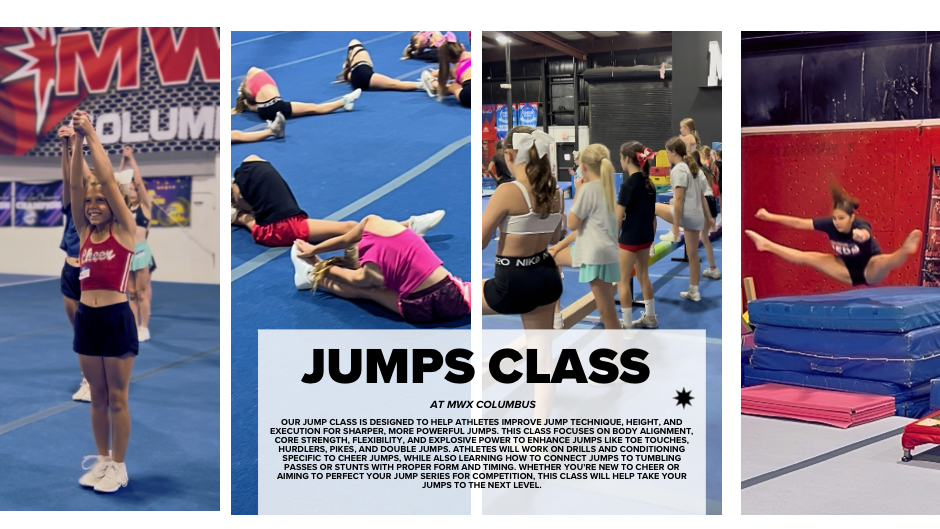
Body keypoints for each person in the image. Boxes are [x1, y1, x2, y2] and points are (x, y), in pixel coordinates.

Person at [68, 110, 138, 493]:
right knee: (96, 395)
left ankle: (120, 466)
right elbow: (77, 187)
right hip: (86, 319)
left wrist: (91, 133)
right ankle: (102, 459)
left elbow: (106, 179)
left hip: (115, 317)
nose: (93, 204)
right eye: (89, 200)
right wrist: (76, 144)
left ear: (115, 204)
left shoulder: (125, 230)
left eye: (100, 200)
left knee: (117, 397)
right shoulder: (83, 232)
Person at [231, 155, 445, 247]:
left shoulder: (246, 213)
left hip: (278, 224)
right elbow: (246, 218)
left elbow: (247, 215)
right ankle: (408, 227)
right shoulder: (250, 220)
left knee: (250, 162)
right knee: (350, 228)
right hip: (280, 228)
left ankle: (408, 227)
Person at [289, 216, 469, 324]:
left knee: (368, 292)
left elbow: (346, 276)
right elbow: (346, 238)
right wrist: (315, 251)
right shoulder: (373, 223)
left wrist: (316, 260)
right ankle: (312, 275)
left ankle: (311, 276)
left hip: (419, 309)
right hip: (455, 298)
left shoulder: (368, 274)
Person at [746, 182, 923, 286]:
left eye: (841, 218)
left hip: (869, 270)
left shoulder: (860, 225)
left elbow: (866, 234)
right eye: (835, 218)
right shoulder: (830, 224)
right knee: (809, 257)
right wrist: (769, 217)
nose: (837, 222)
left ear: (851, 217)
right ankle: (766, 245)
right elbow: (799, 222)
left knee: (882, 261)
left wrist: (861, 235)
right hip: (844, 269)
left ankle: (905, 250)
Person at [482, 126, 563, 329]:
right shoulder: (555, 193)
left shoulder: (507, 191)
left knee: (460, 294)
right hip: (547, 278)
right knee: (541, 354)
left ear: (508, 154)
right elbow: (554, 238)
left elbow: (480, 242)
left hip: (512, 285)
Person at [548, 144, 621, 330]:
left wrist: (578, 192)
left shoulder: (588, 190)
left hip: (594, 254)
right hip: (605, 251)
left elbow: (572, 223)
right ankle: (555, 314)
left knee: (608, 313)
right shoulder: (607, 188)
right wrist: (559, 245)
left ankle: (555, 315)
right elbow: (582, 229)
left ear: (585, 167)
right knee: (552, 257)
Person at [654, 137, 714, 301]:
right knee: (693, 255)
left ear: (674, 152)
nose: (666, 155)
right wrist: (709, 217)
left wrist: (675, 230)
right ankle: (694, 291)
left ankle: (649, 246)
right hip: (697, 217)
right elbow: (702, 196)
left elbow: (679, 200)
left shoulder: (679, 169)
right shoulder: (694, 168)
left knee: (653, 208)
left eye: (667, 152)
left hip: (686, 216)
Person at [56, 126, 91, 402]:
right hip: (70, 271)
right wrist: (65, 146)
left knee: (92, 329)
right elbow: (69, 179)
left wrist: (79, 140)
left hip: (93, 273)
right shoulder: (71, 207)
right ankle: (87, 379)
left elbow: (83, 177)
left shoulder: (100, 209)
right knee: (78, 331)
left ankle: (98, 376)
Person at [615, 142, 658, 329]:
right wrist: (652, 238)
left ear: (626, 159)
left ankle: (626, 325)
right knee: (643, 275)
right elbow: (653, 216)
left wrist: (612, 241)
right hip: (646, 236)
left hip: (629, 239)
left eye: (620, 157)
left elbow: (617, 219)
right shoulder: (650, 184)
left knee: (622, 280)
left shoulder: (627, 185)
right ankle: (650, 316)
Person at [232, 67, 361, 121]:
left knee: (313, 108)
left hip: (265, 112)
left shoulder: (250, 96)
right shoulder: (253, 72)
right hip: (277, 106)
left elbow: (258, 106)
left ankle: (344, 103)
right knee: (313, 108)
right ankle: (344, 101)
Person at [120, 146, 154, 342]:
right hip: (126, 252)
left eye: (134, 190)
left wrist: (131, 159)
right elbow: (118, 182)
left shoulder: (146, 207)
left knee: (141, 293)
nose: (132, 191)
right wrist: (123, 162)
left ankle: (144, 327)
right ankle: (133, 326)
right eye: (129, 189)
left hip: (141, 251)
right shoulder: (123, 208)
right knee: (131, 293)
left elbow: (139, 182)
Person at [337, 39, 434, 93]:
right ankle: (423, 85)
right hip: (364, 74)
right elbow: (354, 42)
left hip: (356, 82)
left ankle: (421, 85)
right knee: (395, 83)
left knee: (394, 84)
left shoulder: (349, 74)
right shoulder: (357, 51)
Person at [691, 150, 721, 280]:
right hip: (710, 200)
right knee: (704, 237)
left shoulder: (696, 172)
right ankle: (713, 268)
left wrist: (708, 216)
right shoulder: (703, 169)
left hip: (705, 202)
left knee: (696, 236)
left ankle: (696, 270)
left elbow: (699, 195)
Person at [420, 37, 470, 108]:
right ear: (462, 47)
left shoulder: (456, 69)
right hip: (487, 85)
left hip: (469, 95)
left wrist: (436, 74)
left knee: (454, 86)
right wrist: (436, 73)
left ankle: (433, 84)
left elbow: (447, 74)